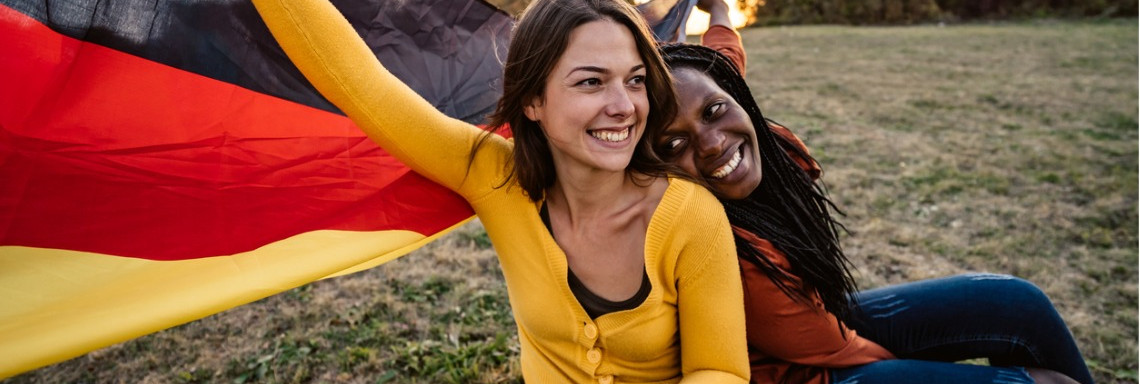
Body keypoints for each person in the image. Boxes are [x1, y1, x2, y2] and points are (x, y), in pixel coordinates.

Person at [250, 0, 750, 382]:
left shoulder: (691, 217)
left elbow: (721, 371)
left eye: (635, 80)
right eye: (592, 83)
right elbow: (358, 82)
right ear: (533, 99)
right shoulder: (493, 177)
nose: (623, 106)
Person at [653, 2, 1097, 383]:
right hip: (806, 371)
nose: (711, 144)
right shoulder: (723, 247)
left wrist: (720, 9)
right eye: (674, 144)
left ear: (737, 95)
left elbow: (723, 56)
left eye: (714, 110)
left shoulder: (728, 109)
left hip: (823, 317)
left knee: (1017, 303)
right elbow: (832, 351)